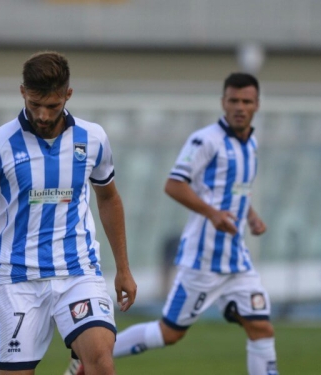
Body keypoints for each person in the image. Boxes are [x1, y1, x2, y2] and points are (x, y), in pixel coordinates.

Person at [0, 51, 137, 375]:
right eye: (34, 104)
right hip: (17, 279)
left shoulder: (93, 138)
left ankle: (82, 358)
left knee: (101, 359)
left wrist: (123, 269)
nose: (42, 115)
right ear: (22, 92)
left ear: (68, 95)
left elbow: (109, 199)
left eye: (52, 106)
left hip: (77, 270)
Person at [64, 72, 278, 375]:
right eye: (233, 100)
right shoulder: (205, 140)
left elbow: (236, 190)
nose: (239, 107)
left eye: (246, 101)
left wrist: (251, 216)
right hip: (202, 260)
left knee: (261, 328)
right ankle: (89, 359)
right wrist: (213, 214)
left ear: (257, 105)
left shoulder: (251, 143)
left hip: (238, 261)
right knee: (170, 333)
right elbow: (174, 184)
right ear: (223, 102)